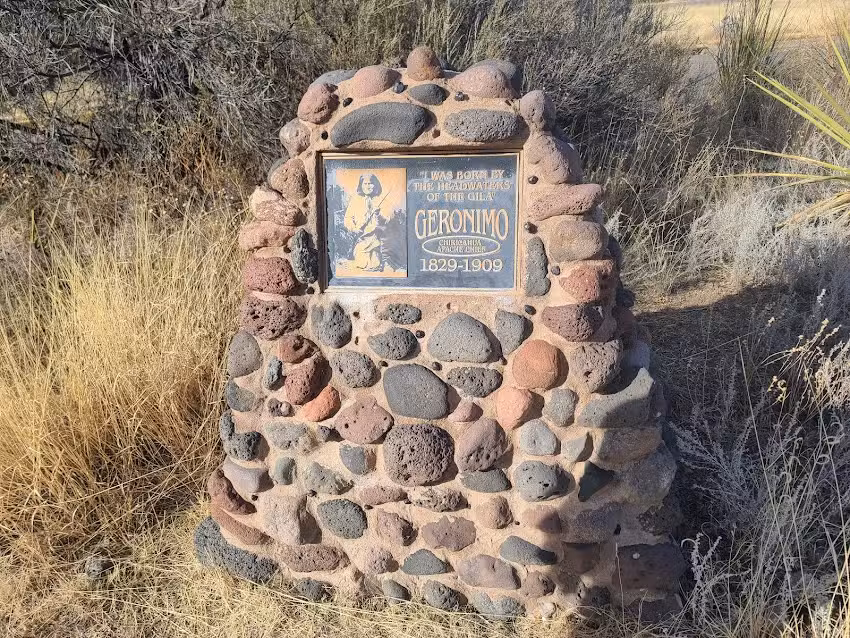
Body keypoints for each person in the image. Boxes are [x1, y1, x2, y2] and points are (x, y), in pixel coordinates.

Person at [343, 173, 387, 272]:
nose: (367, 186)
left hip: (375, 239)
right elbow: (347, 219)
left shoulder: (380, 201)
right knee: (361, 263)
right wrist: (354, 229)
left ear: (376, 185)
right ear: (361, 185)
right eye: (365, 183)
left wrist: (378, 215)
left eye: (370, 183)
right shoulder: (355, 201)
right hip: (360, 239)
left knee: (375, 263)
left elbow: (387, 221)